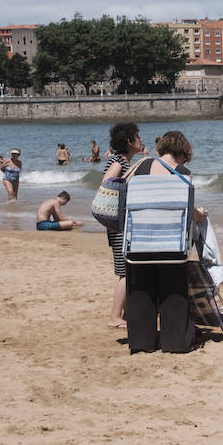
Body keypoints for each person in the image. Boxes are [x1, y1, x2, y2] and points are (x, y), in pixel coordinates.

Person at [125, 131, 204, 354]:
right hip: (171, 243)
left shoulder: (141, 167)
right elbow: (187, 212)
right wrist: (200, 214)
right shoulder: (183, 173)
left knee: (140, 291)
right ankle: (175, 342)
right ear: (184, 152)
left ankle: (142, 343)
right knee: (173, 292)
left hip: (139, 240)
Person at [102, 122, 145, 329]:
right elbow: (107, 184)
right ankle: (114, 316)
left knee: (129, 269)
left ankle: (125, 315)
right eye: (138, 136)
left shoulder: (124, 161)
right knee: (125, 271)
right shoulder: (118, 162)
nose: (141, 139)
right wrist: (129, 177)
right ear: (129, 141)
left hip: (122, 223)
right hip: (118, 224)